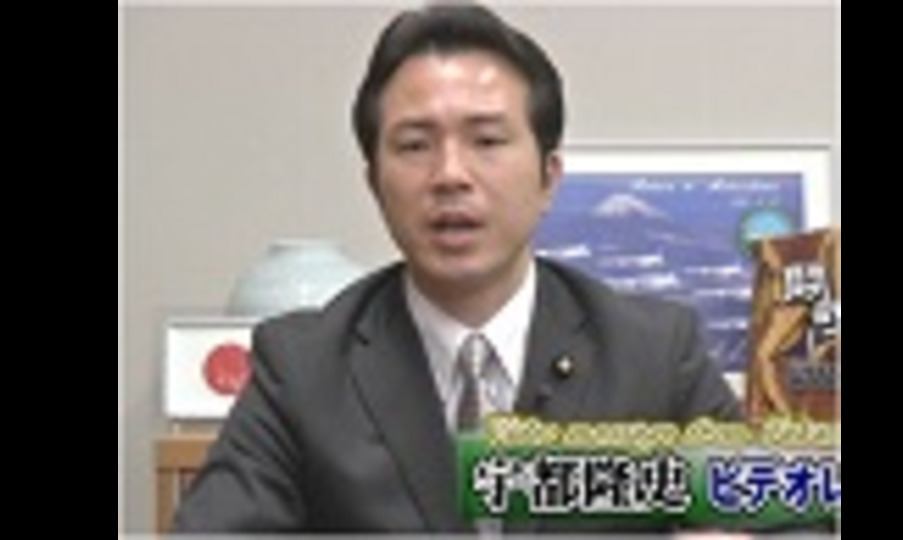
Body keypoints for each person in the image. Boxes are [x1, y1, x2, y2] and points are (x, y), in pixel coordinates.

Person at [173, 3, 745, 534]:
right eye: (415, 145)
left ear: (548, 177)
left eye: (487, 140)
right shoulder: (303, 369)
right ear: (374, 182)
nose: (450, 174)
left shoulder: (652, 354)